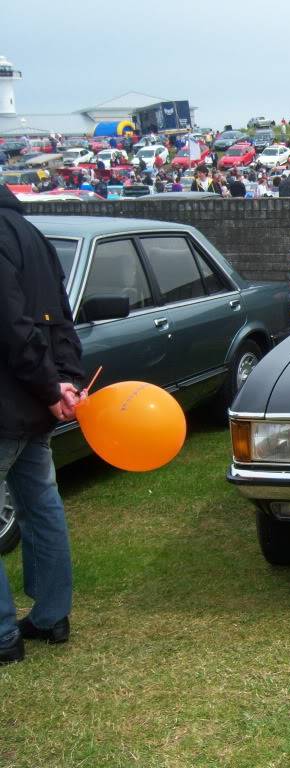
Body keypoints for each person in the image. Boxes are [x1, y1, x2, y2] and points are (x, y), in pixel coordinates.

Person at [0, 184, 86, 665]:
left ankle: (5, 635)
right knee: (42, 507)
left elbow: (12, 326)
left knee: (43, 508)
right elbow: (61, 318)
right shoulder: (33, 235)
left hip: (15, 400)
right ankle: (52, 615)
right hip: (35, 401)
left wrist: (56, 386)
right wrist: (64, 380)